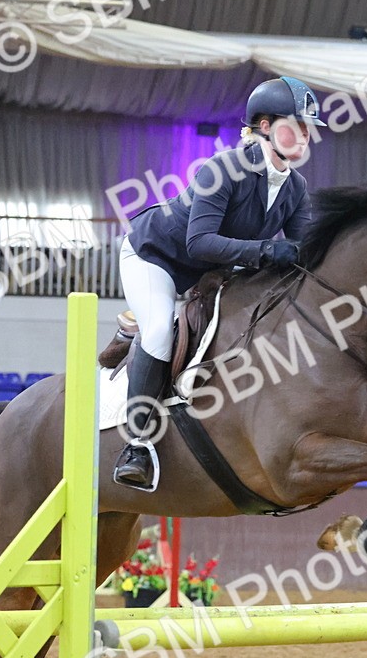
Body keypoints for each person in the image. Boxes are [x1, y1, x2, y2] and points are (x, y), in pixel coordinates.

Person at [113, 76, 324, 490]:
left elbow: (304, 251)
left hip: (213, 274)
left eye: (308, 129)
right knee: (158, 330)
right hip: (157, 259)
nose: (305, 136)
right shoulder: (224, 169)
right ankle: (136, 444)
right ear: (264, 126)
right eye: (296, 126)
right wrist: (266, 251)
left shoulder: (295, 188)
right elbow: (199, 241)